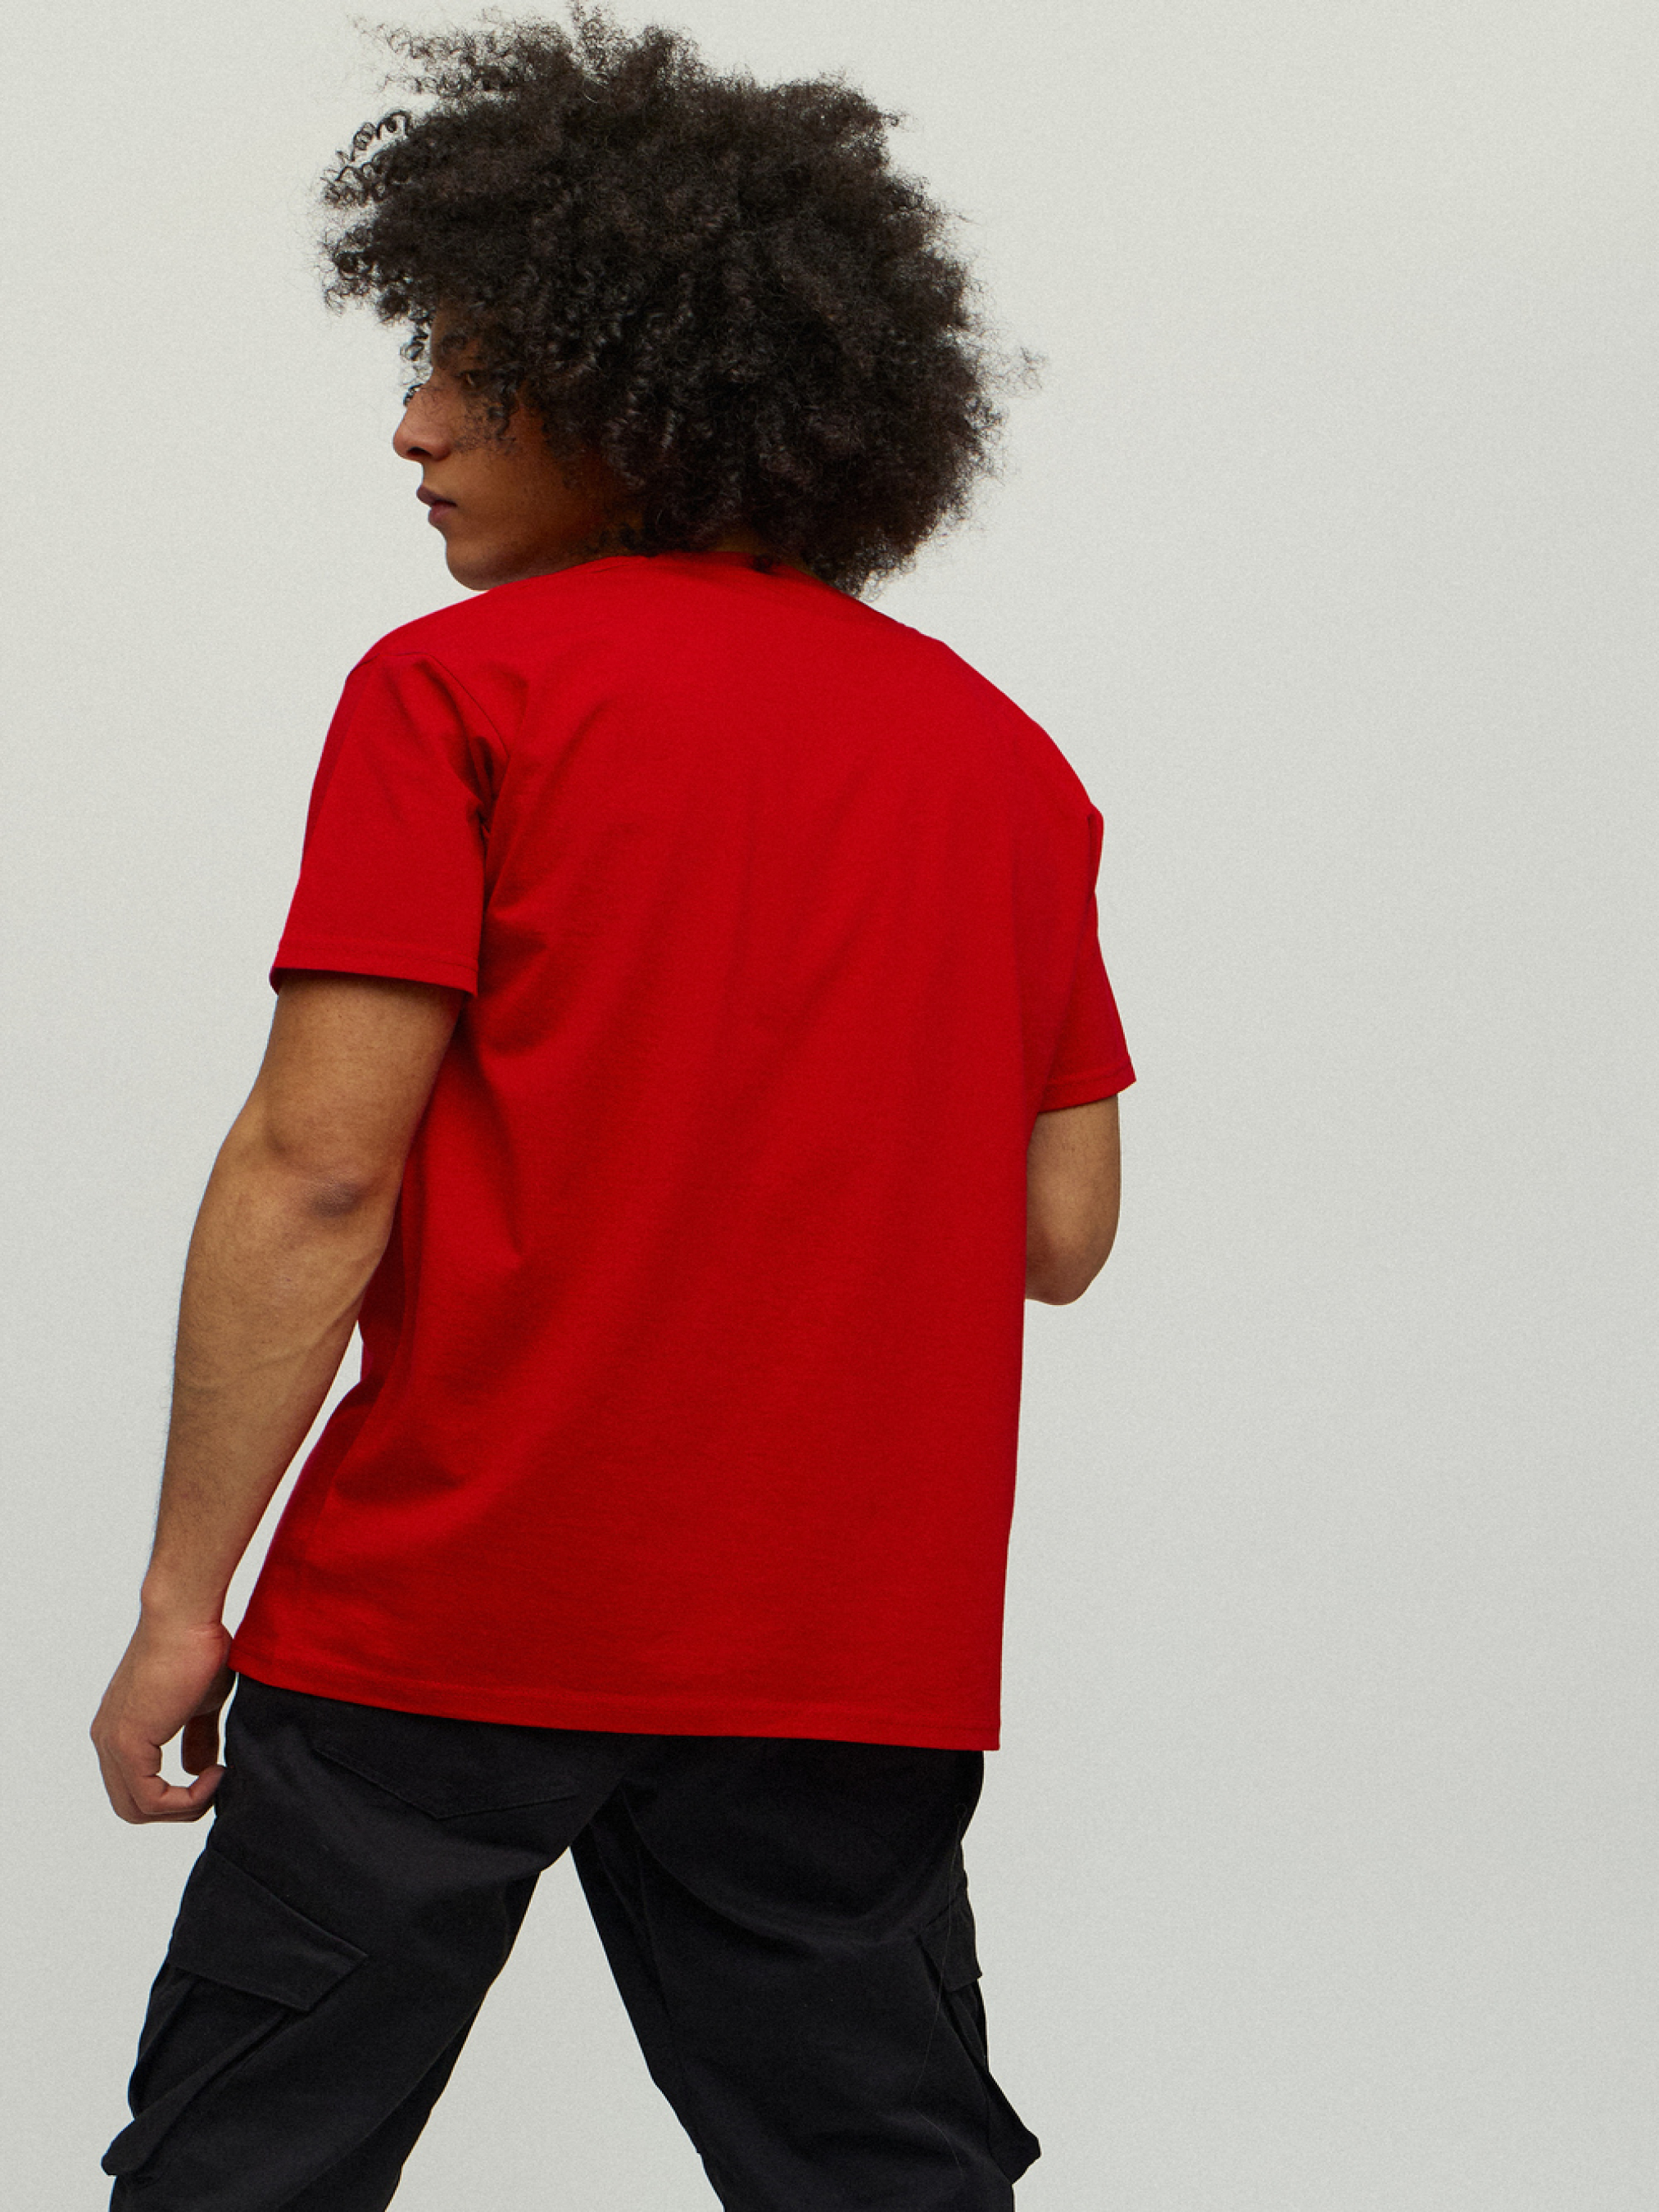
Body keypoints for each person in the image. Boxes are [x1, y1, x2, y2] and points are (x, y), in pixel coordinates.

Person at [88, 11, 1135, 2208]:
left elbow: (320, 1167)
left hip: (450, 1606)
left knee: (241, 2171)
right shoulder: (1003, 764)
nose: (413, 424)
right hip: (845, 1650)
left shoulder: (460, 690)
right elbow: (1059, 1233)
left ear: (635, 386)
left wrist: (188, 1595)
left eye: (468, 370)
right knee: (884, 2176)